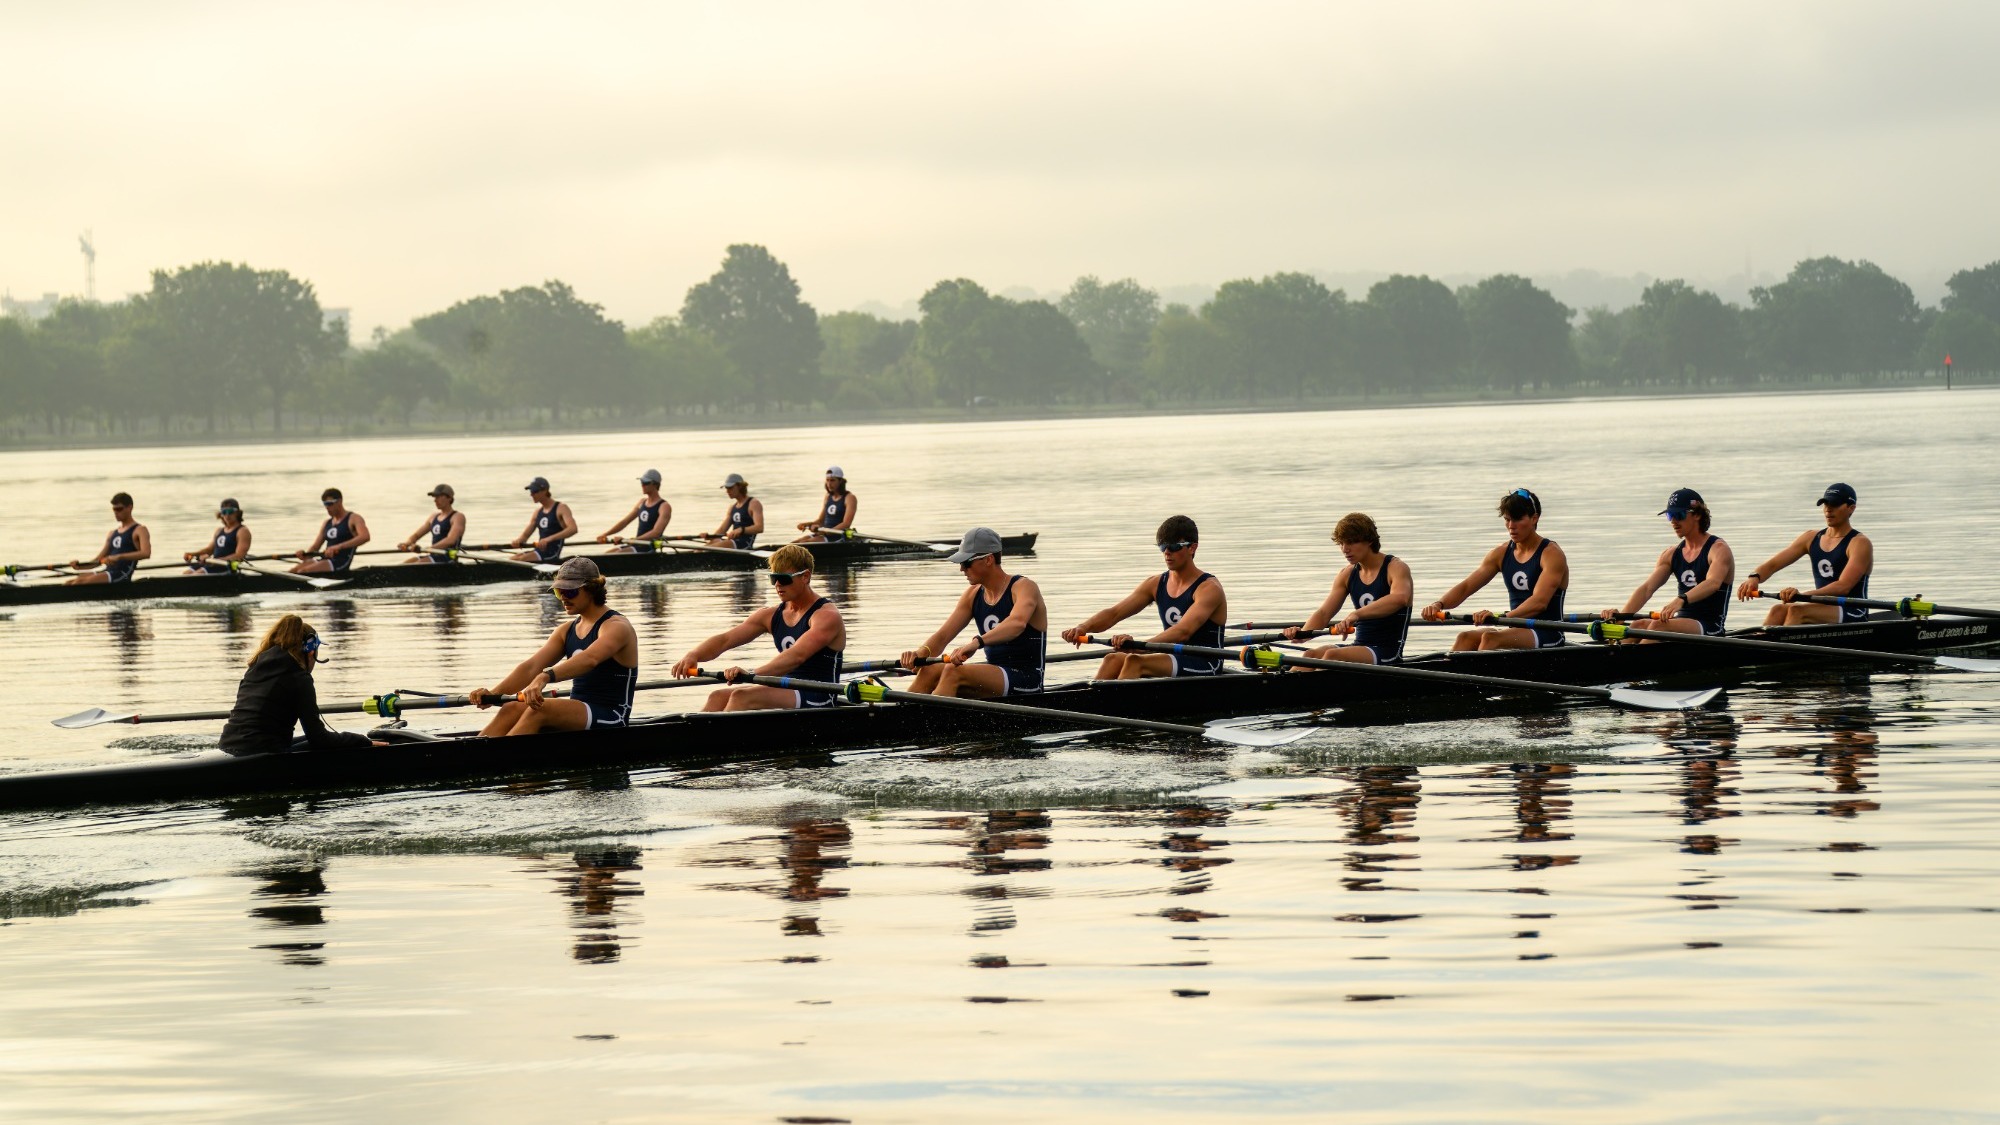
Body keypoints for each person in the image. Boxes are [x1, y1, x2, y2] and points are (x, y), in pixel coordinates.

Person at [469, 558, 640, 735]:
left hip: (612, 716)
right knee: (511, 707)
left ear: (591, 589)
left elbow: (590, 659)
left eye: (570, 592)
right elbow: (530, 668)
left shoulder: (617, 627)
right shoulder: (566, 630)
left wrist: (545, 677)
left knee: (541, 709)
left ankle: (496, 759)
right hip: (580, 713)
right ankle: (473, 756)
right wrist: (494, 694)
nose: (563, 597)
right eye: (559, 592)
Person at [672, 544, 846, 711]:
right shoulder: (770, 615)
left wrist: (751, 674)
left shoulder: (826, 616)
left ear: (805, 576)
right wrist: (693, 654)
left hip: (819, 695)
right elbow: (725, 640)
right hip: (787, 690)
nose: (778, 585)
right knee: (717, 696)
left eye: (784, 579)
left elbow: (796, 656)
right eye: (773, 579)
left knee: (741, 696)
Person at [1060, 514, 1227, 679]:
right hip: (1172, 657)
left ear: (1192, 548)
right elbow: (1114, 613)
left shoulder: (1208, 588)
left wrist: (1139, 648)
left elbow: (1183, 631)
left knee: (1134, 661)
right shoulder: (1155, 584)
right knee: (1113, 659)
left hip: (1206, 662)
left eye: (1174, 547)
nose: (1167, 553)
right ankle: (1092, 705)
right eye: (1162, 547)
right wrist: (1082, 627)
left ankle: (1116, 704)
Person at [898, 527, 1048, 697]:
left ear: (989, 559)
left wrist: (977, 642)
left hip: (1027, 680)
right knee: (929, 670)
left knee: (952, 672)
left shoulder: (1024, 587)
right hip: (996, 675)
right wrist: (919, 654)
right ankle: (902, 715)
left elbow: (1017, 623)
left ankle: (925, 721)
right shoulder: (973, 595)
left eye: (966, 562)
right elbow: (942, 637)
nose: (962, 568)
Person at [1421, 488, 1570, 651]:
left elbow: (1539, 603)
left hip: (1548, 633)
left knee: (1490, 637)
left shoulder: (1551, 554)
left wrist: (1501, 617)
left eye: (1517, 519)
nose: (1511, 526)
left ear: (1534, 518)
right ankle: (1447, 675)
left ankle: (1472, 676)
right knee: (1465, 637)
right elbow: (1466, 587)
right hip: (1515, 628)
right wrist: (1439, 604)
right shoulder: (1500, 554)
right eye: (1507, 520)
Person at [218, 614, 384, 754]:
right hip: (260, 750)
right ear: (311, 651)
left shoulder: (254, 667)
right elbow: (320, 739)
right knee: (339, 741)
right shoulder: (299, 678)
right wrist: (362, 742)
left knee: (310, 739)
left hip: (228, 743)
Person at [1283, 513, 1414, 664]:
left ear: (1369, 540)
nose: (1345, 549)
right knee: (1310, 656)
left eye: (1351, 542)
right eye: (1341, 543)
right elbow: (1324, 613)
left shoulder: (1396, 567)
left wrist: (1355, 615)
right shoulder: (1347, 574)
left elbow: (1400, 598)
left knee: (1332, 656)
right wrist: (1302, 633)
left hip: (1387, 652)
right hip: (1360, 647)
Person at [1736, 482, 1874, 626]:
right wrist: (1754, 577)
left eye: (1835, 505)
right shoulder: (1811, 538)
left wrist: (1802, 596)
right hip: (1823, 606)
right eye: (1825, 504)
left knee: (1796, 611)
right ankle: (1761, 645)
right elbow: (1773, 564)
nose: (1828, 510)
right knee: (1777, 610)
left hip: (1853, 610)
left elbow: (1843, 586)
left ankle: (1783, 647)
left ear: (1851, 508)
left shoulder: (1859, 543)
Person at [1604, 488, 1735, 638]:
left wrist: (1681, 600)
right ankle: (1618, 658)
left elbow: (1713, 583)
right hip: (1682, 624)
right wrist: (1621, 618)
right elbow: (1647, 589)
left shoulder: (1718, 549)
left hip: (1710, 627)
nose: (1673, 521)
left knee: (1657, 625)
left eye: (1679, 515)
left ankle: (1631, 660)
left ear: (1697, 515)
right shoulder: (1671, 554)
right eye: (1670, 516)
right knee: (1637, 625)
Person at [66, 492, 151, 585]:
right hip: (108, 572)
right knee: (69, 583)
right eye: (114, 509)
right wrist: (79, 566)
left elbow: (146, 553)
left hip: (121, 574)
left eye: (119, 509)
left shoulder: (140, 530)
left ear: (130, 508)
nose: (116, 513)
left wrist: (120, 557)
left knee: (79, 582)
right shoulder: (112, 533)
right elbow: (98, 560)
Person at [292, 488, 371, 574]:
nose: (327, 507)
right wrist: (305, 555)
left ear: (339, 502)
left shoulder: (354, 518)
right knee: (293, 571)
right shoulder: (327, 523)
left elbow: (365, 537)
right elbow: (315, 547)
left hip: (340, 563)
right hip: (325, 560)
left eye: (330, 504)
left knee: (303, 571)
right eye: (325, 504)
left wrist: (338, 547)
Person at [598, 469, 673, 553]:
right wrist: (605, 534)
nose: (642, 485)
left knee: (617, 554)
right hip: (636, 544)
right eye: (641, 482)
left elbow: (656, 532)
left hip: (648, 547)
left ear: (655, 484)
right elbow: (624, 522)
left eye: (645, 483)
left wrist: (632, 540)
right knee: (607, 554)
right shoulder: (641, 502)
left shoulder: (664, 506)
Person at [509, 476, 577, 563]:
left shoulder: (561, 508)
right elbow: (525, 536)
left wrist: (549, 539)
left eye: (534, 491)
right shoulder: (537, 512)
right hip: (539, 551)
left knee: (522, 559)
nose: (531, 494)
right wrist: (518, 541)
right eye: (531, 491)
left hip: (551, 554)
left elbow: (573, 529)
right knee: (513, 559)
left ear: (545, 491)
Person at [397, 484, 467, 564]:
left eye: (438, 497)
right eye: (434, 497)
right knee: (405, 564)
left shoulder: (458, 517)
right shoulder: (433, 517)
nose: (435, 500)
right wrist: (407, 543)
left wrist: (429, 548)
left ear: (449, 498)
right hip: (434, 556)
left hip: (448, 557)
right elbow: (416, 535)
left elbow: (450, 540)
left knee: (417, 565)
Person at [184, 498, 252, 574]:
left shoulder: (242, 531)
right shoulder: (219, 530)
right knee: (186, 573)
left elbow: (239, 555)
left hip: (228, 566)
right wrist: (193, 554)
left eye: (230, 511)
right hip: (215, 563)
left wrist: (216, 561)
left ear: (237, 513)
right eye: (224, 512)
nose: (227, 515)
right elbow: (209, 550)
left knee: (197, 574)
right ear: (221, 514)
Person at [794, 465, 859, 542]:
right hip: (824, 534)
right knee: (796, 542)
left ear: (840, 481)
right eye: (827, 480)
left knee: (805, 543)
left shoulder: (850, 498)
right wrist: (806, 524)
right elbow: (821, 521)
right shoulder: (828, 496)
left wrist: (825, 531)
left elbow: (846, 524)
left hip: (837, 536)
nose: (829, 484)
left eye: (832, 480)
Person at [702, 473, 763, 549]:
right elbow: (722, 530)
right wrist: (709, 536)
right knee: (713, 542)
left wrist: (741, 530)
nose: (727, 491)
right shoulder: (732, 508)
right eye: (726, 488)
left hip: (744, 545)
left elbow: (760, 527)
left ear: (740, 486)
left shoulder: (753, 503)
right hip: (733, 542)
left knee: (707, 549)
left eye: (730, 488)